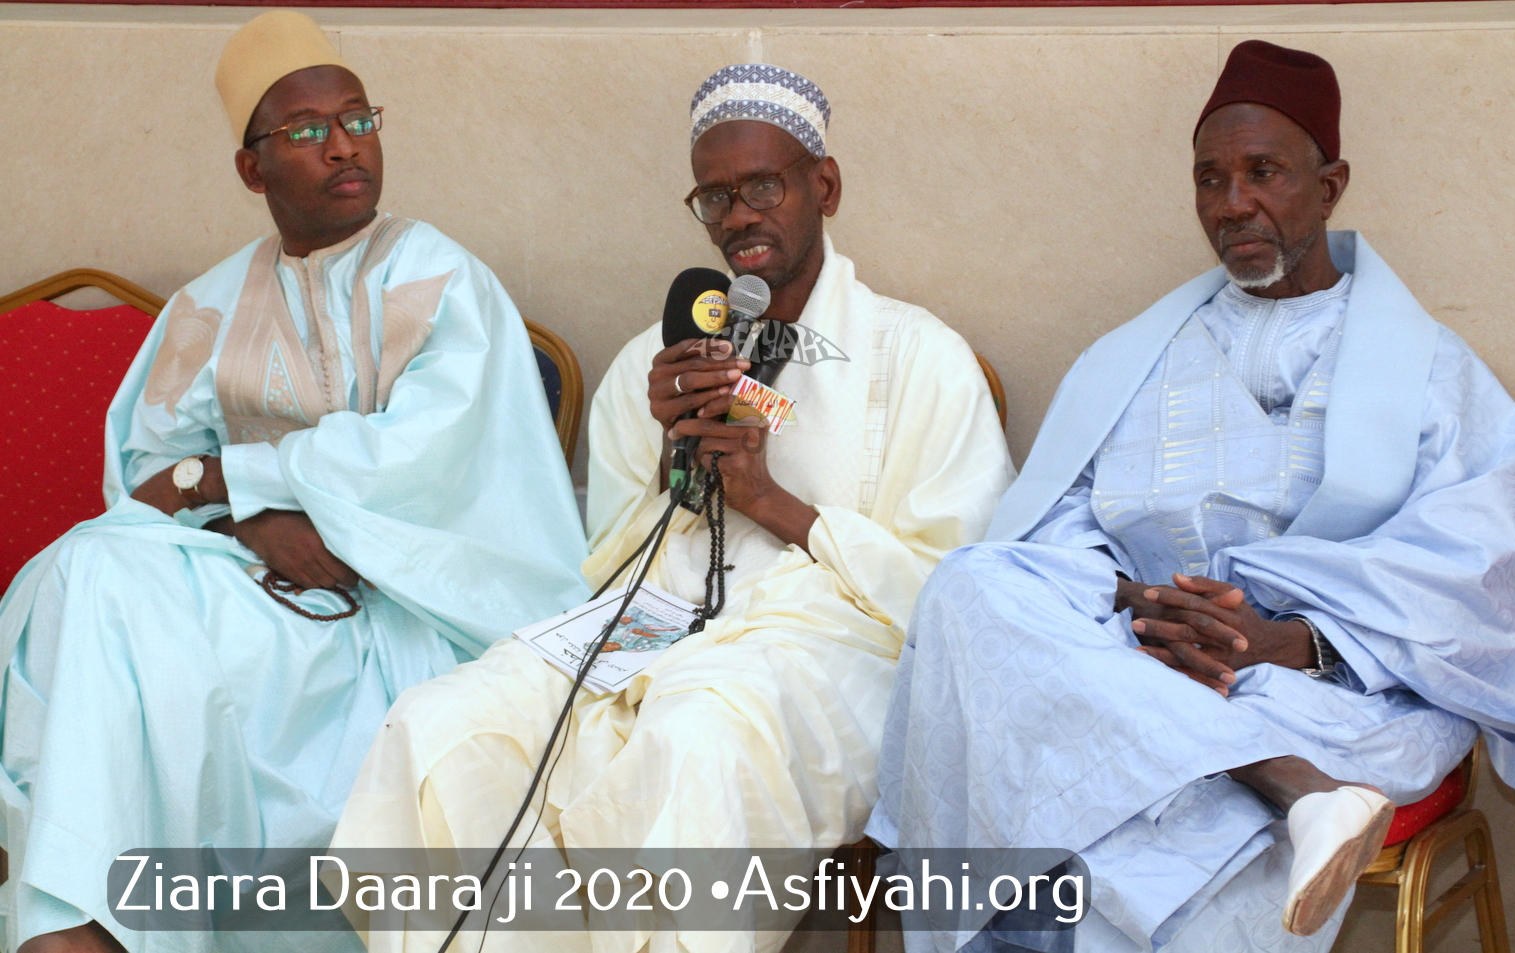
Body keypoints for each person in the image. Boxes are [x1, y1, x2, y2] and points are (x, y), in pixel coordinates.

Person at [867, 40, 1515, 953]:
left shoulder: (1431, 372)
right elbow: (1055, 535)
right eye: (1210, 178)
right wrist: (1148, 610)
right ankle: (1297, 791)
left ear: (1329, 186)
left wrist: (1292, 641)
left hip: (1335, 695)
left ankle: (1288, 782)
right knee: (971, 584)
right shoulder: (1134, 358)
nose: (1232, 203)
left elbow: (1478, 577)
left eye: (1264, 173)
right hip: (1132, 664)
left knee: (1160, 833)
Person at [330, 63, 1013, 952]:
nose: (737, 217)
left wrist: (772, 502)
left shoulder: (919, 357)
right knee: (439, 724)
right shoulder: (654, 365)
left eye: (762, 186)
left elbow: (957, 593)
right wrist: (670, 456)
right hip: (645, 627)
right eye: (714, 197)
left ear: (825, 185)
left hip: (826, 643)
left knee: (691, 737)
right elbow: (604, 558)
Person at [0, 12, 589, 953]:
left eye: (359, 118)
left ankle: (76, 925)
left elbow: (425, 464)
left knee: (104, 598)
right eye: (307, 131)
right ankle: (81, 921)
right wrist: (248, 523)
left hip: (402, 608)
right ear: (252, 167)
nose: (346, 145)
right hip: (246, 586)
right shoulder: (210, 303)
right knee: (87, 571)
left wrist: (230, 477)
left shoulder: (441, 280)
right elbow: (147, 480)